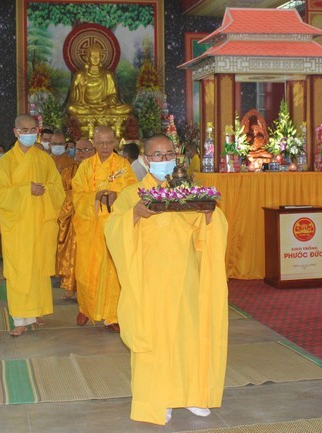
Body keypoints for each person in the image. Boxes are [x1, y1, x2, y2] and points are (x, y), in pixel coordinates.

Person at [105, 134, 229, 425]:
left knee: (189, 335)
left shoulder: (188, 192)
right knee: (154, 340)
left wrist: (209, 214)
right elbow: (113, 230)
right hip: (149, 280)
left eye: (169, 154)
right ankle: (156, 399)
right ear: (146, 160)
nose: (164, 160)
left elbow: (211, 228)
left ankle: (192, 394)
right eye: (157, 155)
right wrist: (134, 215)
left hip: (186, 277)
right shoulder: (131, 194)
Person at [0, 114, 65, 336]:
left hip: (40, 225)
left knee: (38, 269)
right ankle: (20, 319)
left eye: (33, 129)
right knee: (19, 271)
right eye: (24, 130)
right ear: (15, 132)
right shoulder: (6, 161)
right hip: (19, 228)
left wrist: (45, 191)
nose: (29, 134)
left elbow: (57, 188)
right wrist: (26, 191)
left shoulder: (44, 159)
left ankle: (36, 312)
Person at [71, 125, 137, 332]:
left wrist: (118, 196)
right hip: (90, 227)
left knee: (112, 270)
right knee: (85, 269)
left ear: (116, 142)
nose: (105, 146)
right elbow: (77, 195)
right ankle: (86, 307)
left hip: (113, 226)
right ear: (94, 143)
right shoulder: (85, 166)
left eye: (109, 142)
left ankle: (112, 315)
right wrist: (94, 197)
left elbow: (133, 192)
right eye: (100, 143)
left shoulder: (123, 165)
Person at [56, 138, 96, 300]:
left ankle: (91, 289)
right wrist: (78, 198)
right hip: (73, 219)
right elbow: (60, 195)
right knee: (73, 253)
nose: (81, 154)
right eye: (78, 150)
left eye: (86, 150)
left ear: (94, 151)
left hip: (93, 220)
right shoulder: (68, 171)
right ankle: (71, 287)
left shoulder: (98, 171)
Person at [66, 43, 132, 117]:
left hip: (104, 108)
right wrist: (81, 86)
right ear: (87, 58)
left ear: (101, 58)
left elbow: (113, 95)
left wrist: (107, 102)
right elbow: (74, 99)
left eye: (98, 56)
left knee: (128, 108)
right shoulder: (80, 75)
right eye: (93, 56)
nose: (95, 59)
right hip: (87, 108)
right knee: (71, 108)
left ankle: (97, 117)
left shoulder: (107, 75)